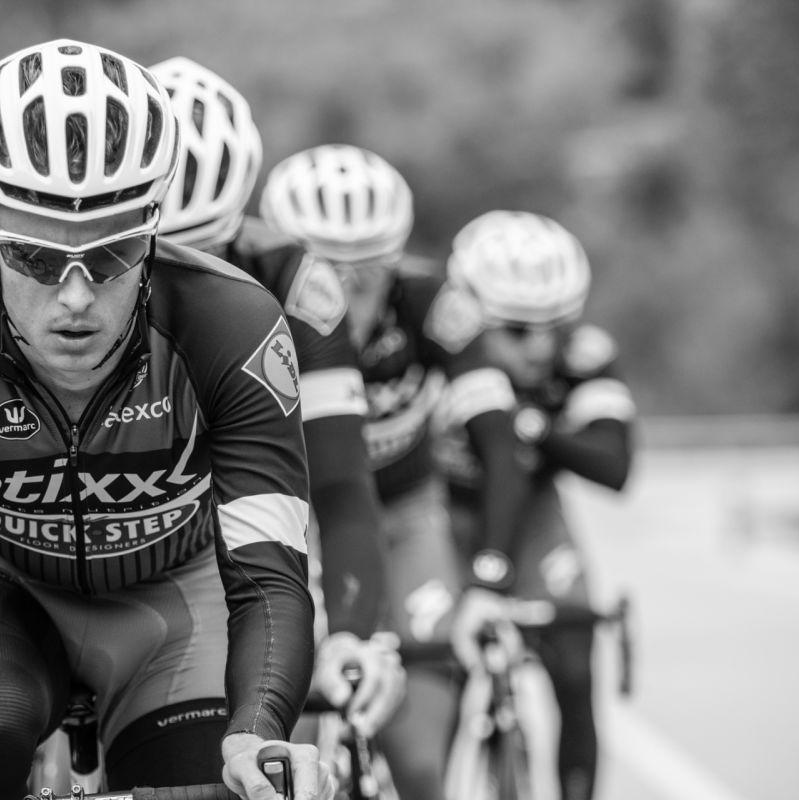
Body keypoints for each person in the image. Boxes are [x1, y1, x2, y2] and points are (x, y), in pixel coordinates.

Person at [0, 39, 333, 800]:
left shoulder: (231, 323)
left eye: (111, 255)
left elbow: (268, 576)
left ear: (153, 228)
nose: (75, 297)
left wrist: (258, 730)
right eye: (37, 259)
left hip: (174, 606)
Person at [259, 145, 529, 800]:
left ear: (397, 261)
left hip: (402, 514)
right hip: (292, 520)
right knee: (284, 753)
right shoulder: (242, 305)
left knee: (420, 766)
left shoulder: (433, 305)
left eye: (368, 272)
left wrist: (489, 580)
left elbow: (501, 446)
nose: (343, 291)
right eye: (323, 270)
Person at [150, 56, 403, 741]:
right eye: (144, 255)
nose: (171, 279)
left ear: (240, 223)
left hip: (233, 538)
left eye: (207, 251)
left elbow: (341, 485)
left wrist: (351, 634)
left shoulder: (296, 281)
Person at [435, 209, 636, 800]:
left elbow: (614, 465)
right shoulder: (436, 344)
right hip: (445, 515)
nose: (540, 347)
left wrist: (533, 427)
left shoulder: (584, 355)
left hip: (534, 517)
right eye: (518, 330)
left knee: (574, 668)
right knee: (439, 680)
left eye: (556, 326)